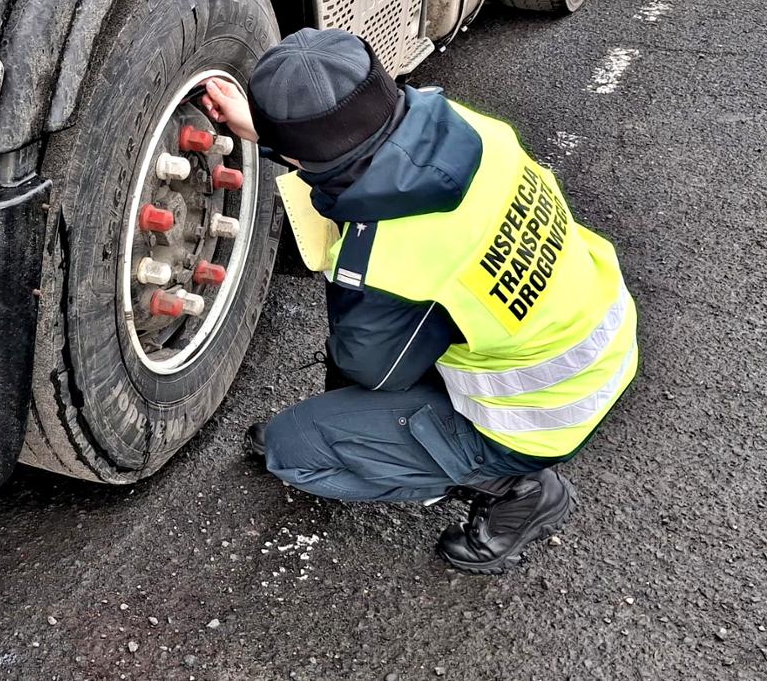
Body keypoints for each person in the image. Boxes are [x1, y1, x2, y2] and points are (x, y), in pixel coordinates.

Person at [199, 28, 637, 574]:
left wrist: (348, 278)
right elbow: (362, 159)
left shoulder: (385, 254)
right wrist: (271, 136)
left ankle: (520, 490)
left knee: (293, 450)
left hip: (542, 411)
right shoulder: (468, 126)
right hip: (591, 328)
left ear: (298, 154)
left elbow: (373, 371)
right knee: (394, 350)